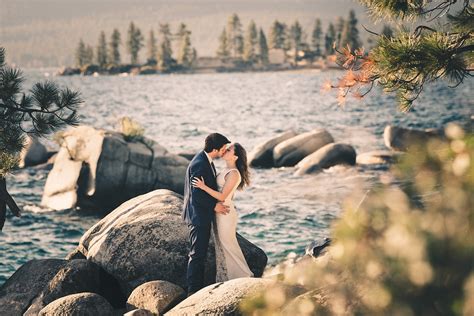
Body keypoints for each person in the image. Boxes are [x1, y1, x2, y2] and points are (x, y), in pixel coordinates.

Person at [192, 143, 254, 282]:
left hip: (225, 213)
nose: (225, 150)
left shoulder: (234, 173)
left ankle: (244, 276)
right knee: (222, 245)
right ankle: (228, 277)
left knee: (228, 245)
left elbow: (222, 196)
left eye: (229, 149)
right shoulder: (226, 170)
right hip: (220, 211)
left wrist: (203, 187)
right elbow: (228, 194)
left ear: (235, 156)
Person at [182, 133, 231, 296]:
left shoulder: (205, 161)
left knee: (200, 253)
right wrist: (214, 206)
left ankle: (196, 288)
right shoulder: (200, 164)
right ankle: (192, 291)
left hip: (201, 214)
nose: (224, 151)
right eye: (223, 149)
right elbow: (196, 195)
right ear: (215, 149)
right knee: (197, 254)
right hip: (198, 216)